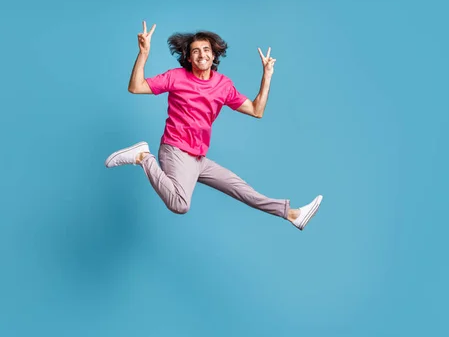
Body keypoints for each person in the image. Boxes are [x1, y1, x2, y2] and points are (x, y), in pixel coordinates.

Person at [105, 21, 322, 230]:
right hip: (176, 151)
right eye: (196, 51)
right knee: (180, 204)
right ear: (188, 57)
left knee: (243, 191)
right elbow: (136, 87)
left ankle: (293, 214)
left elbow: (257, 110)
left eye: (206, 50)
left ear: (213, 54)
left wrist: (267, 76)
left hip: (199, 158)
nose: (202, 55)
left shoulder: (223, 85)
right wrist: (143, 54)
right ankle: (143, 157)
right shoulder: (176, 77)